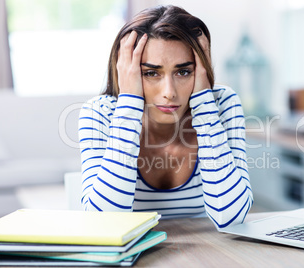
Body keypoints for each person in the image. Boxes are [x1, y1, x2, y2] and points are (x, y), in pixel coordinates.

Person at [78, 5, 253, 229]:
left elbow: (231, 217)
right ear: (126, 72)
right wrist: (129, 102)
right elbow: (103, 223)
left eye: (183, 71)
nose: (169, 91)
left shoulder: (221, 104)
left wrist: (204, 103)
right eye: (151, 73)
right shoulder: (99, 112)